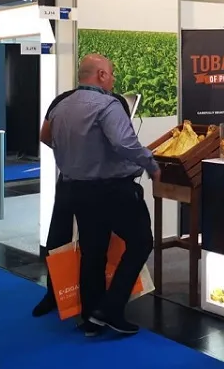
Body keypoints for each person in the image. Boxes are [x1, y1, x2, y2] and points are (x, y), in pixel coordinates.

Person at [48, 54, 158, 336]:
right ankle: (110, 309)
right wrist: (150, 163)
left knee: (92, 252)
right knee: (141, 242)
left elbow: (48, 138)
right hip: (113, 190)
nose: (113, 79)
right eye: (111, 73)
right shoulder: (108, 105)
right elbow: (125, 143)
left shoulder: (61, 106)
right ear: (100, 75)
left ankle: (90, 318)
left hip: (77, 190)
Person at [32, 89, 131, 322]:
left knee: (62, 237)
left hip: (71, 180)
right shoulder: (114, 102)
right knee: (90, 244)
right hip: (97, 184)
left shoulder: (62, 101)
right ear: (102, 76)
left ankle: (57, 295)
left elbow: (45, 136)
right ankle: (87, 306)